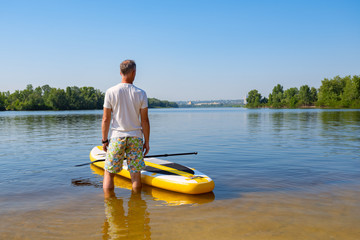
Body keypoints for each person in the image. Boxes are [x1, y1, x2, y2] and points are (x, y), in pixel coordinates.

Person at [101, 59, 150, 195]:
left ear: (120, 72)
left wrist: (105, 140)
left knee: (109, 173)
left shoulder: (110, 91)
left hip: (117, 137)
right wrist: (147, 142)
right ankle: (136, 206)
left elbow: (106, 119)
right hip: (135, 137)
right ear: (133, 72)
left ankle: (109, 206)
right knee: (135, 174)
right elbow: (145, 121)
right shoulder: (141, 93)